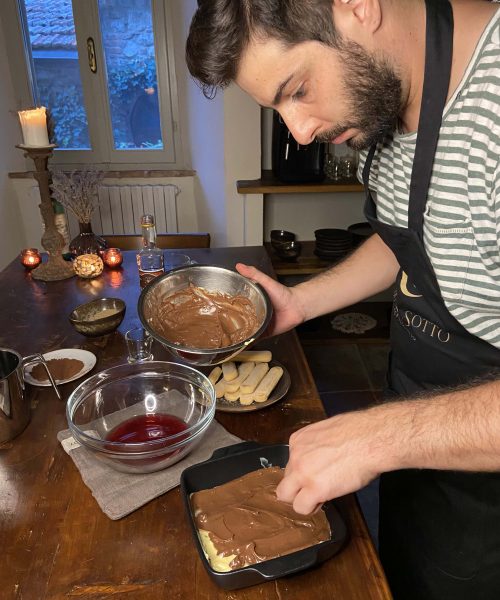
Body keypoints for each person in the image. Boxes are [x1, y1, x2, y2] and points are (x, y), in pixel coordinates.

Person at [186, 1, 500, 597]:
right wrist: (301, 303)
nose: (299, 131)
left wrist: (383, 436)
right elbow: (409, 235)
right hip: (422, 453)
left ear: (358, 5)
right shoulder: (391, 106)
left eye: (297, 89)